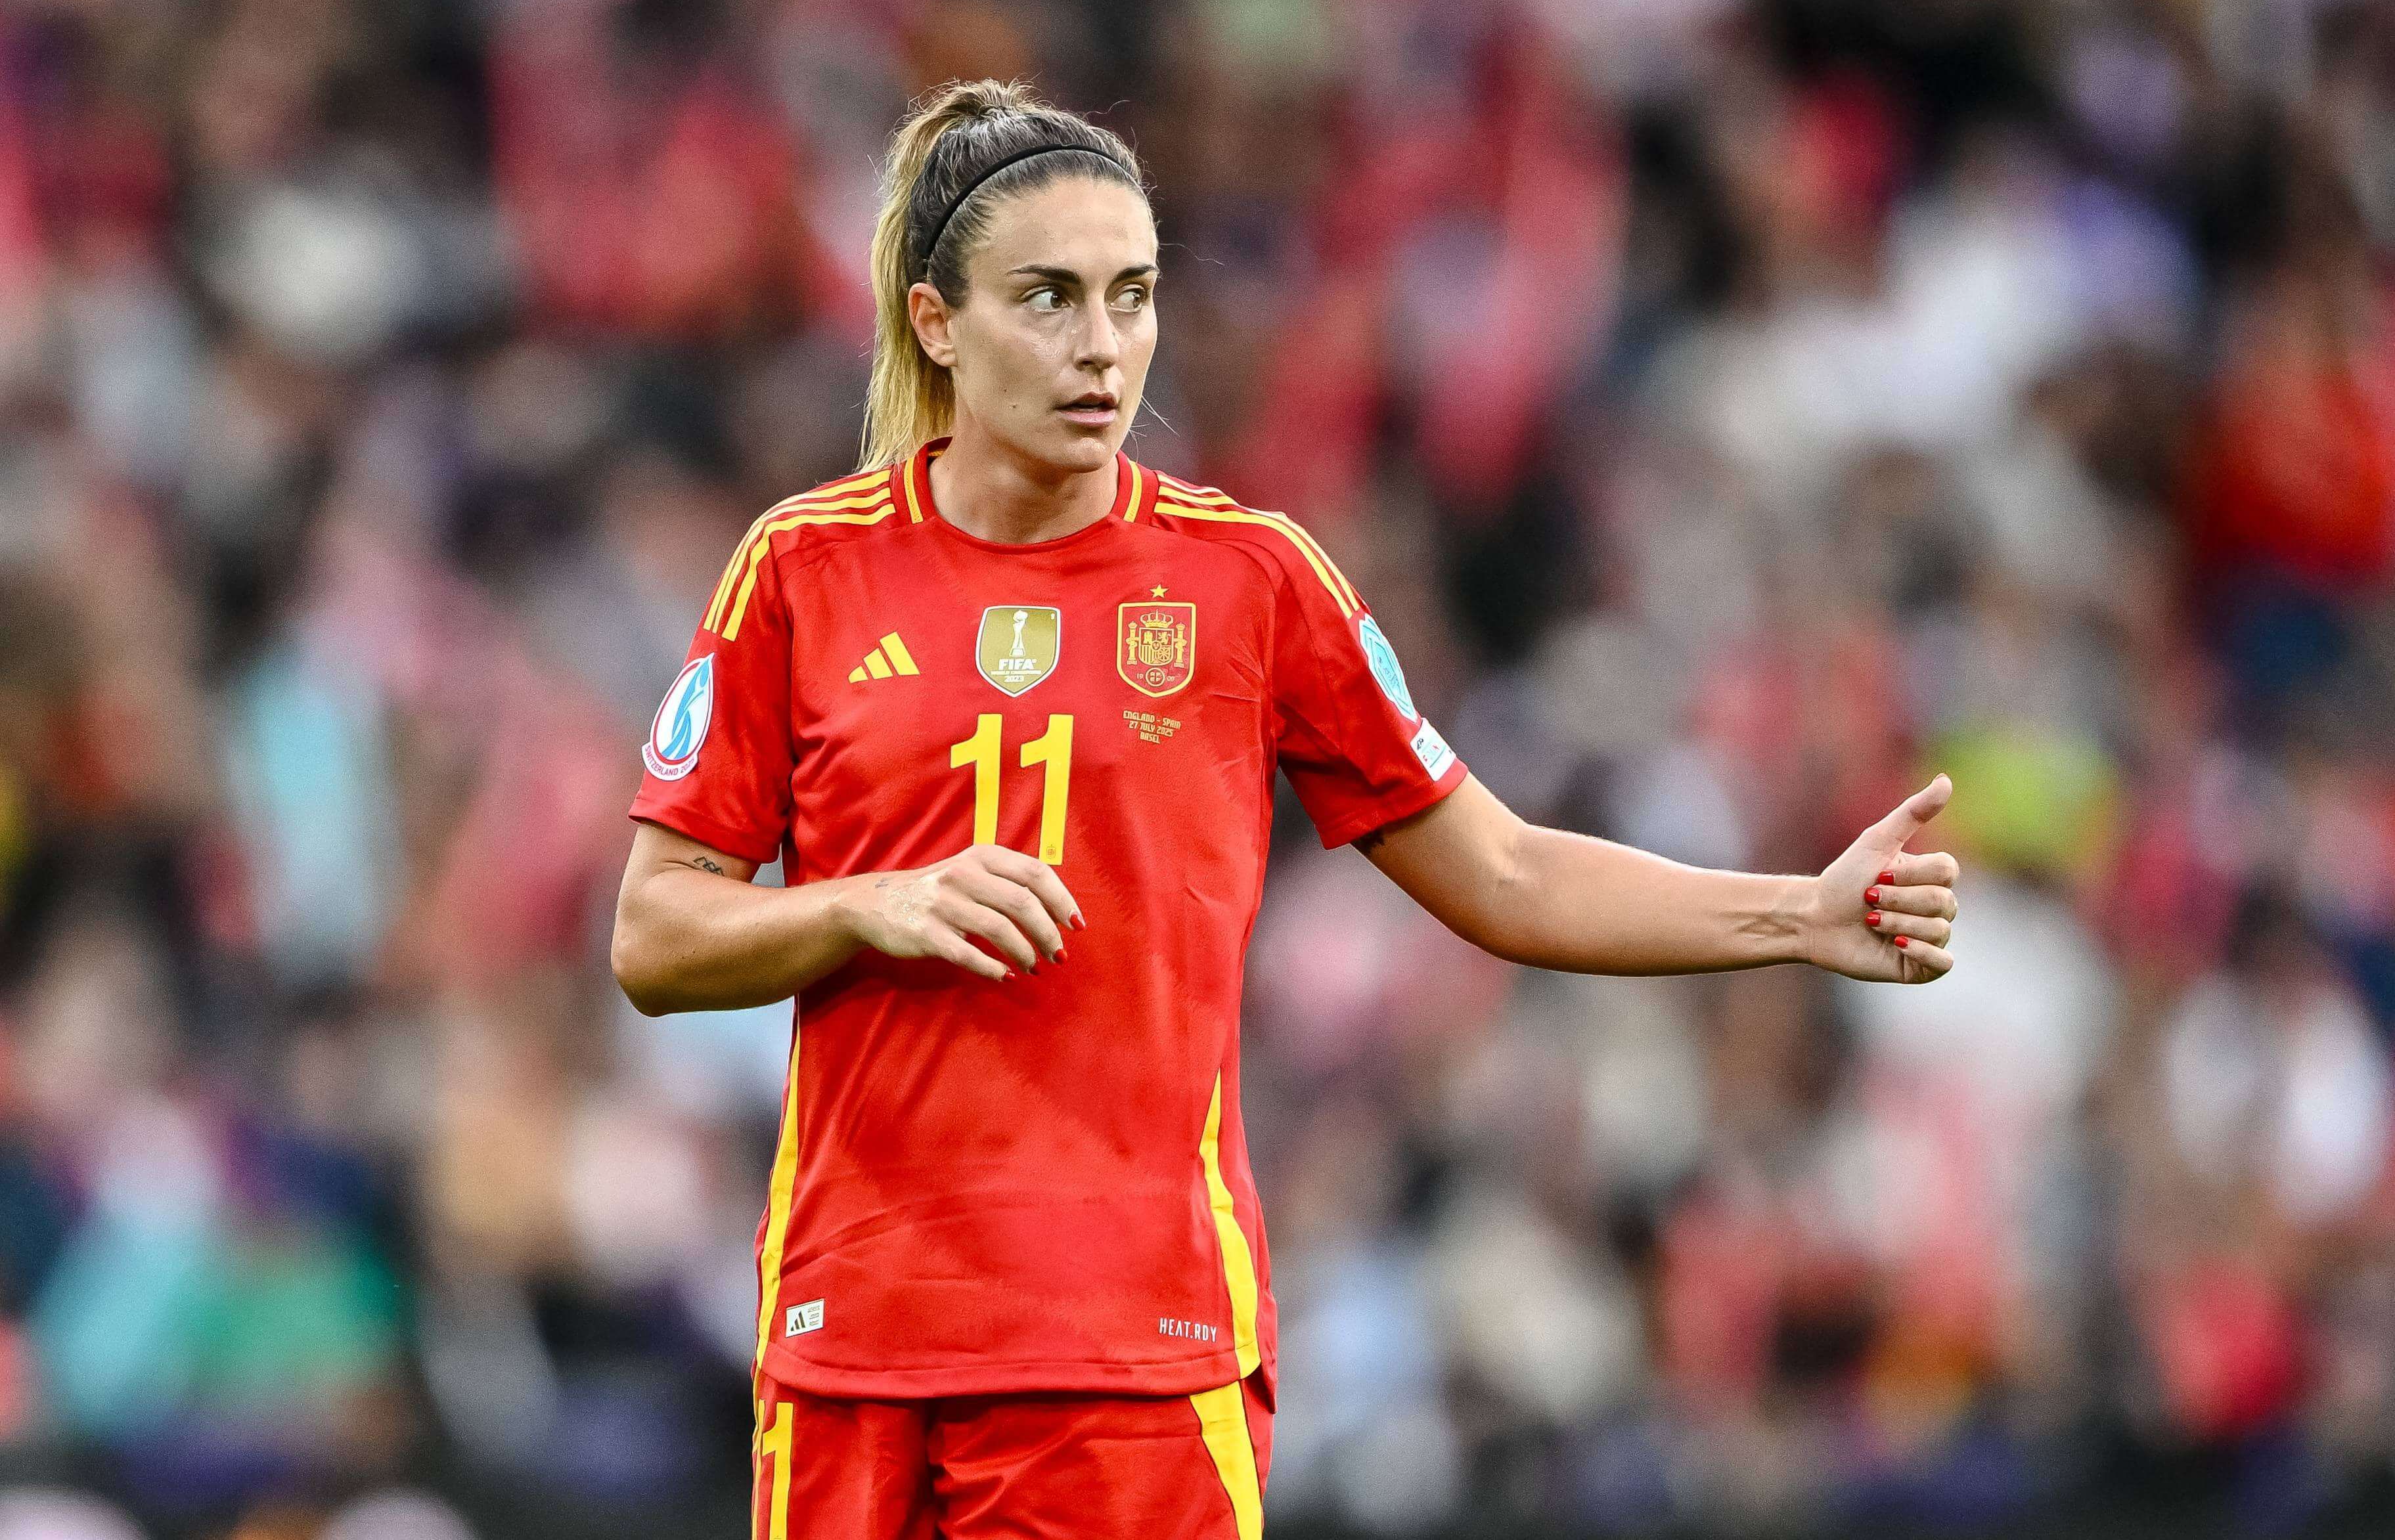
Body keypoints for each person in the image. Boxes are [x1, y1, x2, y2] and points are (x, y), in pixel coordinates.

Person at [608, 79, 1962, 1540]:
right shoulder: (801, 570)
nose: (1102, 347)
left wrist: (1797, 913)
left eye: (1130, 298)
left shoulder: (1247, 584)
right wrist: (861, 903)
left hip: (1132, 1354)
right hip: (847, 1340)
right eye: (1048, 299)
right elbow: (656, 933)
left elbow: (1500, 868)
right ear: (936, 323)